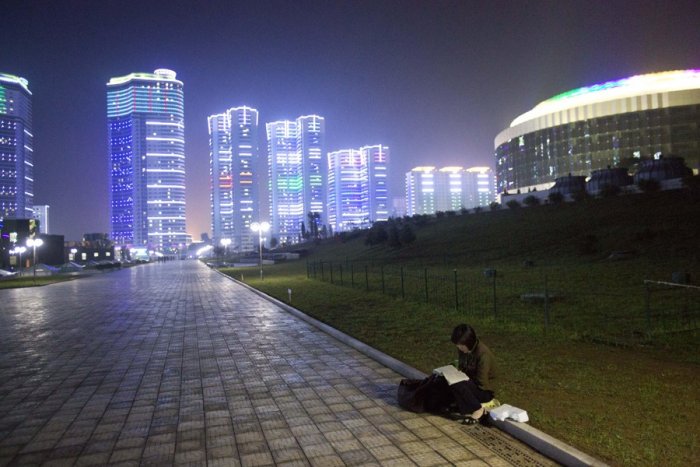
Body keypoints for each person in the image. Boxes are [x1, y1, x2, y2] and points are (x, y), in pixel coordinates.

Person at [448, 323, 498, 425]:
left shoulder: (483, 355)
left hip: (484, 390)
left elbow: (482, 381)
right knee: (446, 379)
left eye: (461, 346)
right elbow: (462, 366)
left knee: (457, 383)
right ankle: (462, 406)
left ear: (468, 343)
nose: (459, 348)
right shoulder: (463, 349)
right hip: (470, 381)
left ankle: (478, 409)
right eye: (458, 345)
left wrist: (463, 378)